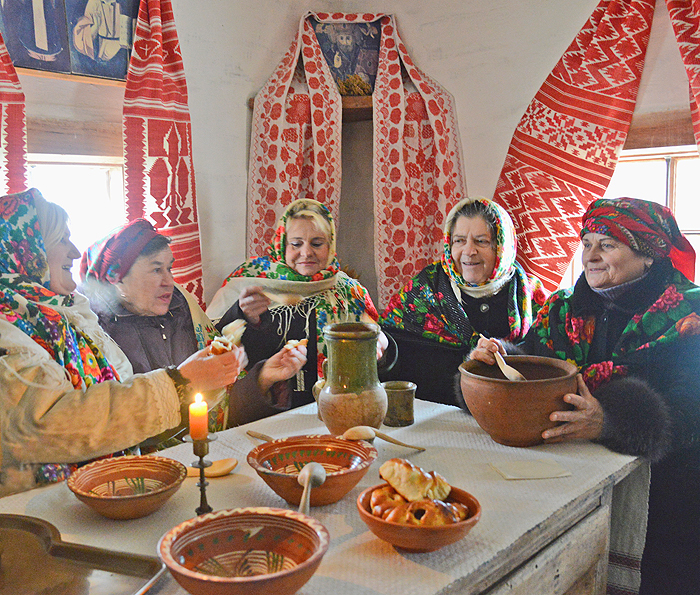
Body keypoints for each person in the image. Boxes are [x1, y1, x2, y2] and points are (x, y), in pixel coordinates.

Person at [468, 197, 700, 594]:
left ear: (648, 255)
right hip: (566, 484)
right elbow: (534, 366)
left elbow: (688, 414)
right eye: (587, 242)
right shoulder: (563, 310)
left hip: (666, 502)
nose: (590, 255)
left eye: (607, 245)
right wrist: (496, 364)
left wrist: (608, 422)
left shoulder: (689, 317)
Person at [0, 188, 245, 497]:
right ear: (24, 250)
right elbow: (48, 425)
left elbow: (126, 414)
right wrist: (180, 382)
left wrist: (200, 383)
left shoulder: (70, 316)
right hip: (42, 509)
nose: (74, 251)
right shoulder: (10, 330)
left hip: (107, 491)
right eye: (61, 239)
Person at [79, 219, 307, 443]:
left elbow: (219, 403)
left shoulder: (180, 305)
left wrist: (263, 377)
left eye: (169, 268)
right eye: (156, 269)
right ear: (115, 277)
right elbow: (110, 430)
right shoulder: (95, 333)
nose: (169, 281)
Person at [208, 198, 388, 411]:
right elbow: (214, 346)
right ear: (282, 244)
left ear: (330, 246)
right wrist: (244, 315)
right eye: (296, 244)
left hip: (342, 407)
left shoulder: (348, 290)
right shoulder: (252, 280)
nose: (306, 252)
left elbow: (379, 348)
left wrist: (382, 347)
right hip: (271, 415)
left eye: (317, 243)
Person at [379, 197, 546, 404]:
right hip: (437, 415)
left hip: (511, 414)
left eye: (481, 241)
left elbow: (544, 365)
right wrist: (381, 348)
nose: (468, 251)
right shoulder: (425, 288)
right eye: (459, 240)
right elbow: (394, 353)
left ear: (502, 246)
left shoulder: (529, 293)